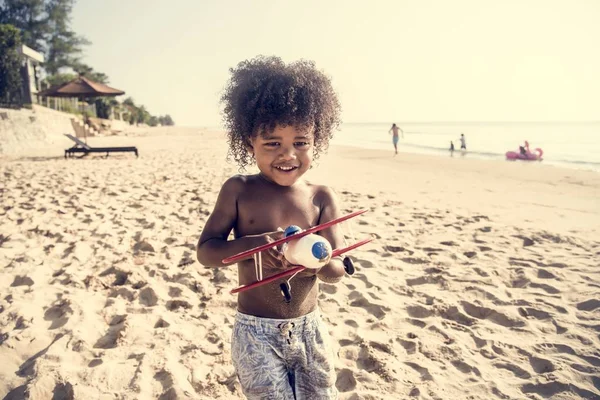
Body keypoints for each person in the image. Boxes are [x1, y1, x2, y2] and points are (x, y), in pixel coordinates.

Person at [196, 56, 344, 399]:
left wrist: (314, 257)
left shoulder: (322, 198)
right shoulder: (238, 190)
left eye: (301, 142)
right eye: (272, 143)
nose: (288, 154)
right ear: (250, 142)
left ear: (316, 140)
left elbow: (336, 269)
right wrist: (256, 245)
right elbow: (207, 252)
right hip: (255, 332)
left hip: (310, 329)